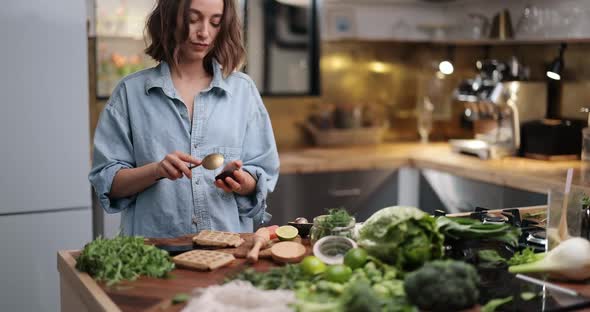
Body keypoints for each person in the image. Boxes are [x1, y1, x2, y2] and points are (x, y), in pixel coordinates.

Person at [89, 0, 280, 238]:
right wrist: (156, 170)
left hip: (228, 253)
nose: (204, 32)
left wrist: (242, 181)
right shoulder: (130, 93)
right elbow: (107, 182)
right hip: (154, 254)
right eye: (193, 19)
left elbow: (262, 171)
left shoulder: (243, 91)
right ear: (169, 18)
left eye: (215, 22)